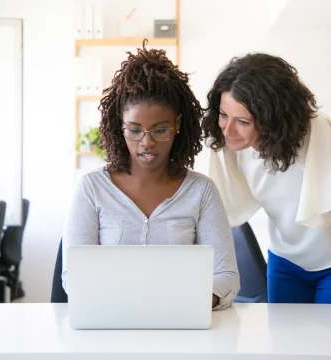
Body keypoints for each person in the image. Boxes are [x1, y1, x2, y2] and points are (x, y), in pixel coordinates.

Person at [203, 52, 331, 321]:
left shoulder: (314, 129)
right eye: (223, 115)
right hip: (286, 259)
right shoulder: (230, 142)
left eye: (243, 122)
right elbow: (220, 213)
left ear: (271, 120)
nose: (228, 130)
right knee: (287, 347)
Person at [62, 42, 240, 310]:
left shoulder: (201, 191)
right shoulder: (92, 189)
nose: (146, 143)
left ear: (178, 125)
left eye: (159, 130)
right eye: (134, 130)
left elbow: (226, 276)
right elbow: (73, 276)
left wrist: (188, 303)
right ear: (119, 126)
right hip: (111, 325)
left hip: (180, 324)